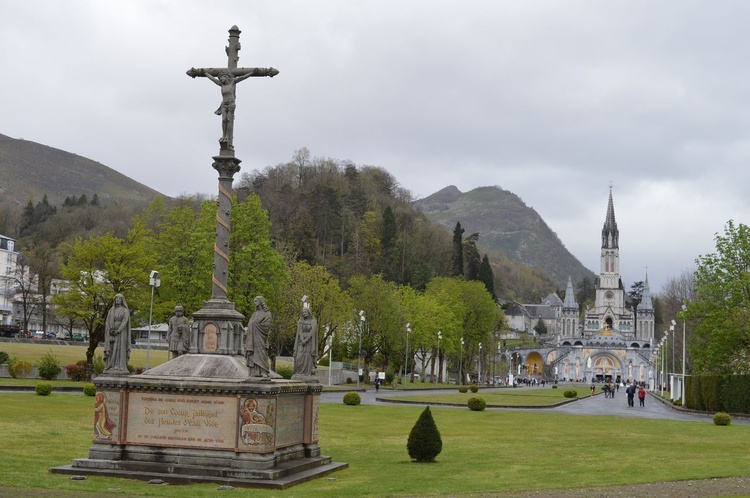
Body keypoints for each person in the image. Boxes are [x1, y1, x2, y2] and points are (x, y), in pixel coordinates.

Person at [103, 293, 131, 375]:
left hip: (121, 333)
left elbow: (125, 321)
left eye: (119, 299)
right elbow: (107, 321)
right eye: (116, 299)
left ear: (122, 300)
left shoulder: (125, 310)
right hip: (111, 332)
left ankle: (119, 366)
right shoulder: (111, 310)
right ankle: (110, 365)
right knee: (111, 348)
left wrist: (118, 330)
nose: (117, 300)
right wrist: (110, 329)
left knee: (120, 348)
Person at [246, 296, 271, 377]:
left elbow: (267, 326)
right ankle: (255, 372)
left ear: (261, 301)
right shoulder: (254, 314)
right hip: (252, 338)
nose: (255, 301)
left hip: (261, 337)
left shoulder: (267, 313)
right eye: (254, 300)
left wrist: (256, 326)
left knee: (262, 353)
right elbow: (250, 324)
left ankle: (263, 371)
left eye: (256, 300)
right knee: (254, 353)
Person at [292, 306, 318, 377]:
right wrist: (302, 339)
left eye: (305, 312)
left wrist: (306, 340)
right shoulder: (300, 321)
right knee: (298, 357)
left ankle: (306, 373)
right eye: (303, 312)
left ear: (309, 313)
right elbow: (299, 330)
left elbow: (312, 332)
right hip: (301, 341)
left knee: (307, 357)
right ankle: (298, 373)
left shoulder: (313, 321)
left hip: (309, 343)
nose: (304, 313)